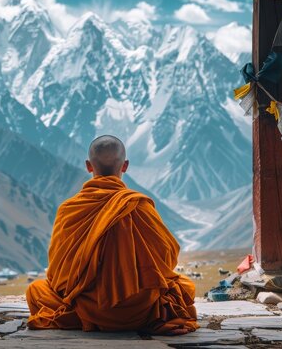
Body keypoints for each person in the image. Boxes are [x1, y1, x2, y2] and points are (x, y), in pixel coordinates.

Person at [26, 135, 198, 335]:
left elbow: (58, 276)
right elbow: (167, 257)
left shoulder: (70, 209)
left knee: (36, 290)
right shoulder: (138, 206)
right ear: (125, 166)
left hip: (90, 309)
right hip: (141, 310)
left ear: (89, 166)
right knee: (183, 285)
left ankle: (90, 316)